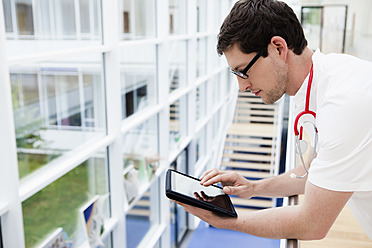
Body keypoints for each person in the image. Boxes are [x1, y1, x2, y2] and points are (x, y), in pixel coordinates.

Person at [173, 0, 372, 241]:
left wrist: (225, 220)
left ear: (278, 48)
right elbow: (312, 172)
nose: (242, 86)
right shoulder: (327, 80)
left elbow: (312, 224)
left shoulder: (345, 102)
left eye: (243, 71)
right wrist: (254, 188)